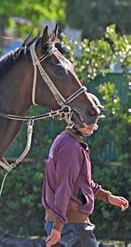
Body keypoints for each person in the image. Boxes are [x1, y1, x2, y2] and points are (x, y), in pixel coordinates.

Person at [42, 93, 129, 247]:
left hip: (65, 223)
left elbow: (81, 183)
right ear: (75, 118)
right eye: (90, 122)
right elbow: (64, 186)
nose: (94, 126)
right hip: (71, 226)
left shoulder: (65, 140)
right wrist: (58, 227)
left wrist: (108, 197)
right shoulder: (71, 147)